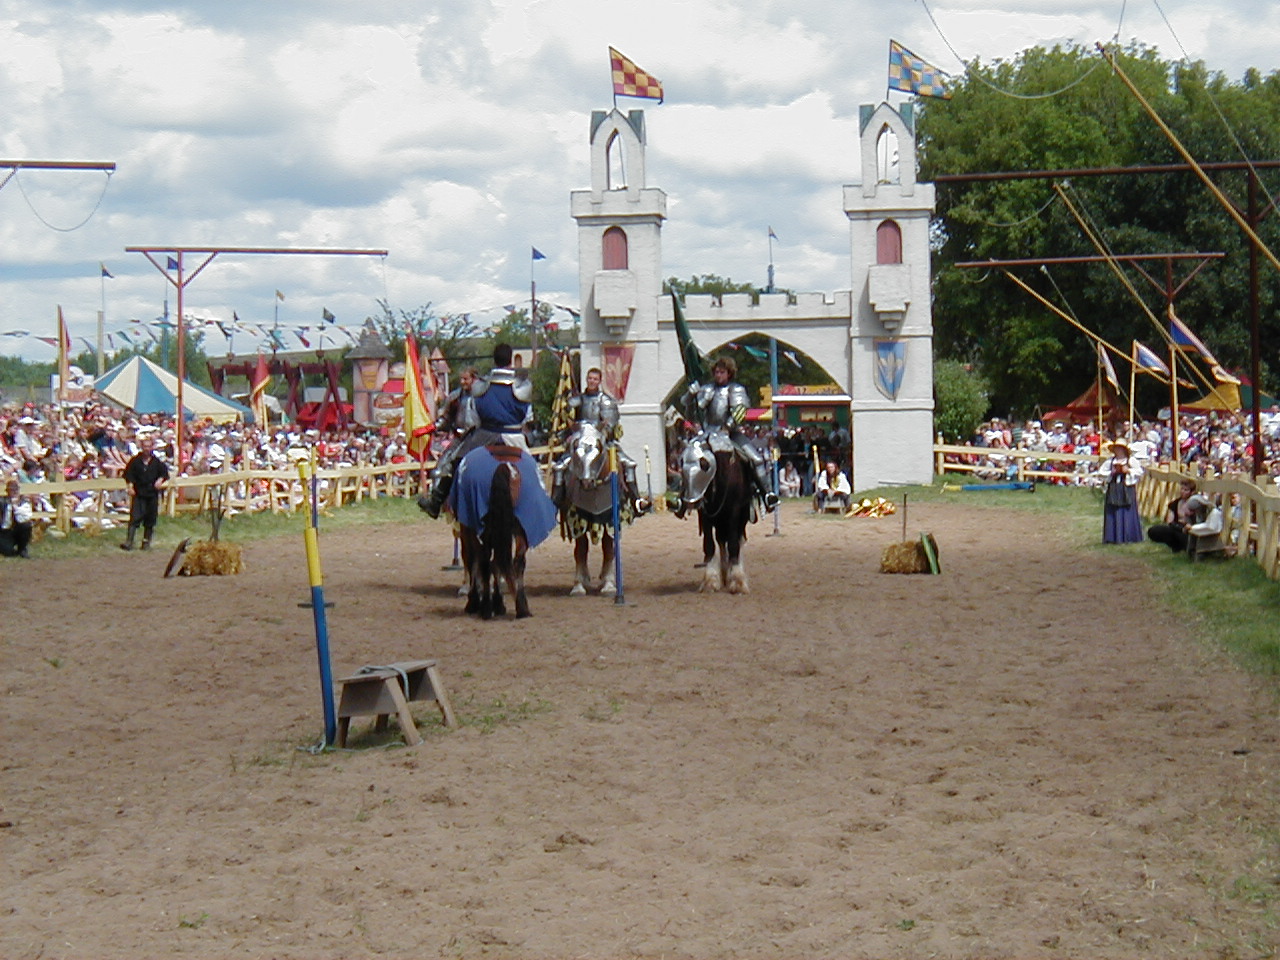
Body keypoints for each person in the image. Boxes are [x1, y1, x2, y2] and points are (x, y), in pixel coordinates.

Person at [419, 343, 530, 518]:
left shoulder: (482, 387)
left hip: (482, 435)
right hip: (514, 437)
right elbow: (526, 417)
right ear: (511, 360)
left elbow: (474, 418)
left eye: (465, 379)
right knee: (533, 474)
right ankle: (541, 508)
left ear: (494, 360)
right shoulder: (522, 386)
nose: (463, 382)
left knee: (454, 463)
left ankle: (436, 502)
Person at [685, 356, 778, 511]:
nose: (718, 375)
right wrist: (690, 396)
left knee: (756, 459)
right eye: (716, 372)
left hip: (731, 434)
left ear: (729, 373)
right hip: (709, 433)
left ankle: (767, 494)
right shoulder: (708, 389)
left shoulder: (736, 389)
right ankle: (686, 496)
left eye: (722, 372)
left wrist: (727, 427)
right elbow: (693, 413)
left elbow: (740, 411)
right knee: (689, 456)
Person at [551, 366, 646, 510]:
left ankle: (636, 501)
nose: (592, 381)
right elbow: (567, 423)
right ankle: (555, 503)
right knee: (559, 467)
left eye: (595, 379)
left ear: (599, 381)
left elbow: (610, 426)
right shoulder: (576, 401)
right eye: (590, 378)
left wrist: (602, 434)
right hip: (580, 441)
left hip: (602, 441)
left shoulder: (606, 401)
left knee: (629, 464)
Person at [120, 435, 170, 550]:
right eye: (144, 447)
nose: (146, 449)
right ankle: (129, 541)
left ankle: (146, 542)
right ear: (141, 447)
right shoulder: (135, 461)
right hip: (139, 493)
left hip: (152, 494)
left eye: (149, 446)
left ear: (152, 447)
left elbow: (164, 473)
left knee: (150, 518)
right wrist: (130, 487)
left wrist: (160, 480)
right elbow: (129, 475)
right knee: (135, 517)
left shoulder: (156, 462)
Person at [1147, 478, 1209, 553]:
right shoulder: (1175, 503)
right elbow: (1170, 521)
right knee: (1154, 530)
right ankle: (1175, 546)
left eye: (1186, 490)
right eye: (1182, 489)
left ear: (1192, 492)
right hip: (1177, 528)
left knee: (1187, 539)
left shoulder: (1195, 504)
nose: (1183, 492)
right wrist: (1180, 528)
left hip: (1190, 530)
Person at [1099, 438, 1143, 544]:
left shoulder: (1131, 460)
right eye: (1116, 448)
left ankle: (1129, 536)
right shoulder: (1110, 461)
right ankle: (1112, 537)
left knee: (1127, 510)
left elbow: (1140, 472)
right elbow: (1101, 472)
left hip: (1126, 488)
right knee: (1113, 510)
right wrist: (1111, 472)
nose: (1118, 451)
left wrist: (1128, 471)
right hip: (1114, 488)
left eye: (1120, 448)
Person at [0, 476, 34, 558]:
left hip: (18, 529)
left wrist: (15, 507)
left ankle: (22, 549)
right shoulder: (2, 502)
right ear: (7, 491)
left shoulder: (24, 502)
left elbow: (26, 517)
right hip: (5, 531)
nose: (14, 492)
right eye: (12, 490)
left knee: (26, 526)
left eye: (16, 490)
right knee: (8, 552)